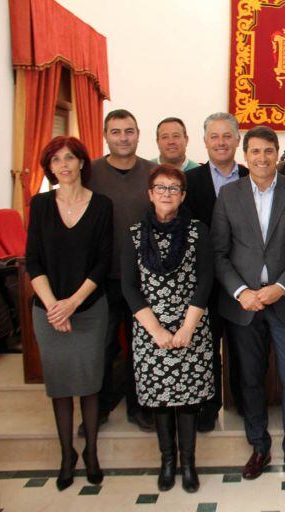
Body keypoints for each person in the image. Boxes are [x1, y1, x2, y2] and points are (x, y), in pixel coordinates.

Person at [211, 126, 285, 481]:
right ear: (245, 156)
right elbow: (218, 252)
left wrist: (282, 286)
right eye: (254, 152)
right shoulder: (229, 195)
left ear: (277, 154)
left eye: (268, 151)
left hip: (283, 301)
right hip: (244, 305)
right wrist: (241, 292)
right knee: (251, 379)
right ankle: (258, 446)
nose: (261, 158)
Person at [121, 165, 214, 493]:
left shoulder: (198, 231)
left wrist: (187, 328)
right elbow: (129, 287)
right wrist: (157, 331)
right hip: (150, 329)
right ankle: (167, 463)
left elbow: (205, 280)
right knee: (160, 400)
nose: (167, 194)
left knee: (187, 400)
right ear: (150, 193)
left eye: (174, 189)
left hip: (191, 324)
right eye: (161, 188)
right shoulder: (134, 233)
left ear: (183, 195)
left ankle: (188, 464)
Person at [26, 136, 112, 491]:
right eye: (56, 160)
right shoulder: (41, 204)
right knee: (60, 387)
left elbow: (102, 262)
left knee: (90, 385)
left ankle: (91, 453)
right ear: (50, 167)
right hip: (48, 311)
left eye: (70, 158)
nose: (63, 165)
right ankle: (67, 455)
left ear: (81, 163)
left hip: (89, 307)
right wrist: (53, 306)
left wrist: (74, 303)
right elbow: (33, 260)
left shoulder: (102, 205)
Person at [89, 109, 156, 432]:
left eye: (129, 131)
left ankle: (138, 406)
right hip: (100, 277)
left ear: (138, 134)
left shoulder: (153, 172)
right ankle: (99, 407)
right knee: (102, 347)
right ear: (106, 136)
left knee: (140, 348)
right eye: (116, 132)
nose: (123, 137)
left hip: (143, 280)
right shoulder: (90, 172)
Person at [183, 112, 249, 431]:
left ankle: (242, 402)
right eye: (214, 136)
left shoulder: (253, 177)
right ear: (205, 141)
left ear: (238, 140)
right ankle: (209, 406)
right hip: (203, 280)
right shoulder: (190, 181)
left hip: (243, 280)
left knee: (241, 346)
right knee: (207, 345)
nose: (221, 142)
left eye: (227, 136)